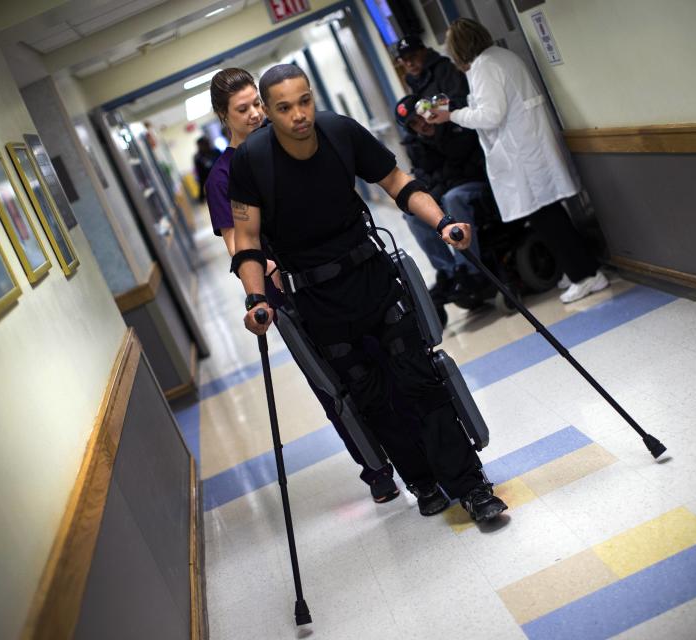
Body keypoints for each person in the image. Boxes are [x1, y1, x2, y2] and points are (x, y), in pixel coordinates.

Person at [228, 64, 507, 523]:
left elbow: (398, 182)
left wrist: (442, 223)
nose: (298, 115)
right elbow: (248, 241)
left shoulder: (340, 132)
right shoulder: (251, 162)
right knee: (370, 395)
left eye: (304, 101)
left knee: (419, 378)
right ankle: (420, 481)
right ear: (269, 111)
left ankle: (472, 486)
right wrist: (256, 300)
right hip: (317, 300)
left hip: (372, 276)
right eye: (284, 107)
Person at [206, 68, 442, 510]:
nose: (256, 114)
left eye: (258, 103)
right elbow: (239, 243)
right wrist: (263, 278)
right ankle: (375, 467)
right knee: (340, 386)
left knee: (393, 365)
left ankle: (426, 459)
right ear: (224, 116)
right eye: (244, 110)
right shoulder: (225, 176)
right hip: (287, 293)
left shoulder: (290, 146)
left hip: (344, 275)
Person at [430, 19, 609, 304]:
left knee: (547, 217)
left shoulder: (485, 66)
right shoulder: (500, 57)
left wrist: (452, 116)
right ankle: (577, 269)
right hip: (528, 149)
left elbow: (490, 115)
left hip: (523, 155)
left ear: (459, 48)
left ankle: (586, 275)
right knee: (549, 215)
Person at [394, 94, 491, 308]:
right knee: (413, 215)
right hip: (444, 190)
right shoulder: (415, 145)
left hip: (474, 183)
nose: (421, 125)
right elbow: (423, 175)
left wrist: (436, 189)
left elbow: (462, 165)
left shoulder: (453, 128)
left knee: (452, 198)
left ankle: (469, 270)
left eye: (421, 118)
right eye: (414, 124)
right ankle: (448, 272)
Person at [394, 35, 471, 110]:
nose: (409, 63)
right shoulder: (411, 80)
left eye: (413, 56)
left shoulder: (444, 69)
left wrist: (433, 111)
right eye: (404, 60)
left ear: (424, 51)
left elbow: (461, 102)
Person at [193, 136, 220, 202]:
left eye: (206, 143)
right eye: (201, 145)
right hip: (212, 185)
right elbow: (201, 176)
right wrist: (201, 193)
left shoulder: (216, 152)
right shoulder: (198, 158)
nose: (205, 146)